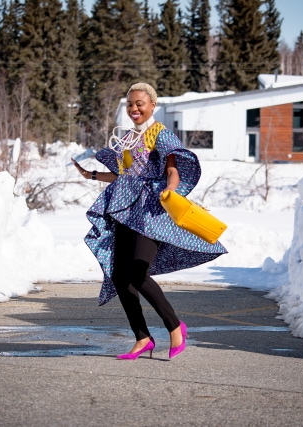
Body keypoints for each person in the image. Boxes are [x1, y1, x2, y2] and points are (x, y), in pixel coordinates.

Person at [72, 82, 226, 360]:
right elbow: (126, 175)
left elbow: (173, 169)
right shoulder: (129, 138)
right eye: (130, 103)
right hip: (125, 212)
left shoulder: (160, 134)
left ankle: (175, 326)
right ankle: (142, 337)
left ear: (152, 105)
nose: (134, 108)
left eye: (140, 103)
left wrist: (170, 188)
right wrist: (92, 175)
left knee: (138, 273)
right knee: (120, 276)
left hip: (150, 213)